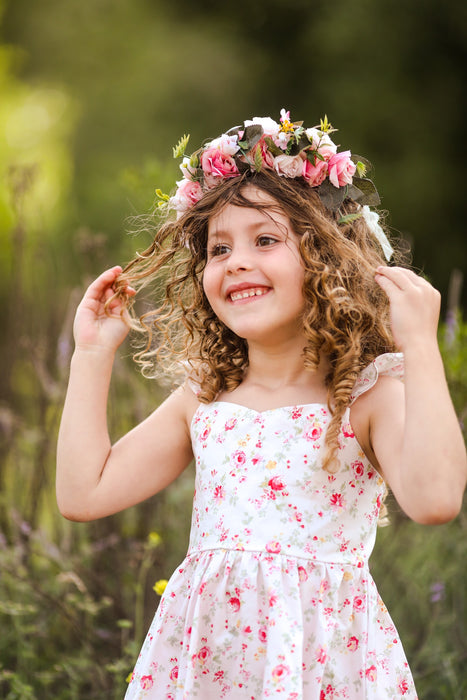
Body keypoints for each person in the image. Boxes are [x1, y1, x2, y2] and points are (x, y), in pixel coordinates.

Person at [56, 110, 466, 699]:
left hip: (322, 665)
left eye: (265, 240)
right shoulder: (205, 399)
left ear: (328, 258)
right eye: (218, 249)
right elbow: (82, 493)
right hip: (209, 665)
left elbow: (435, 500)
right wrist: (91, 355)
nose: (236, 261)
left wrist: (420, 346)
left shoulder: (365, 397)